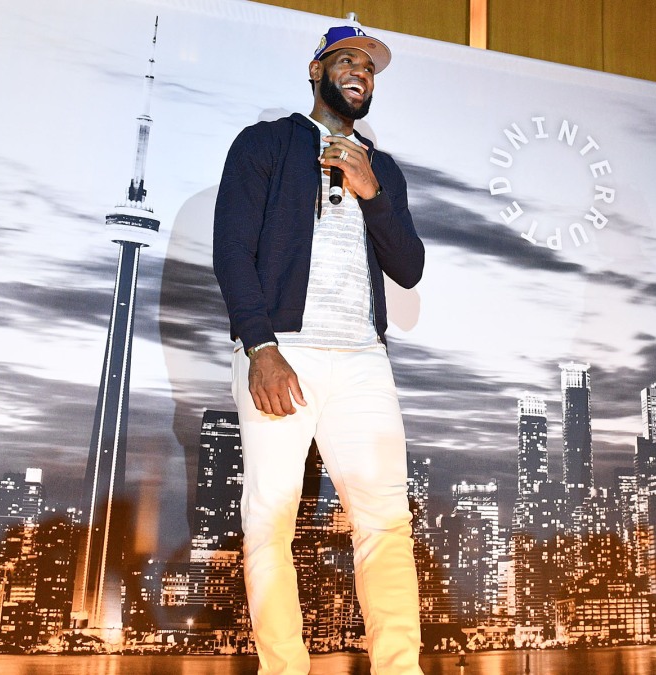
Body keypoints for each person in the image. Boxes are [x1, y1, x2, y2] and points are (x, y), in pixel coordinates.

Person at [213, 25, 425, 675]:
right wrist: (261, 346)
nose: (360, 70)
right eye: (347, 59)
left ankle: (399, 666)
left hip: (363, 359)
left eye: (370, 65)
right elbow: (231, 251)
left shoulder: (379, 167)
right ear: (317, 69)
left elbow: (410, 267)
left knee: (385, 521)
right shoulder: (267, 144)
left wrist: (373, 195)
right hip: (285, 351)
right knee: (271, 519)